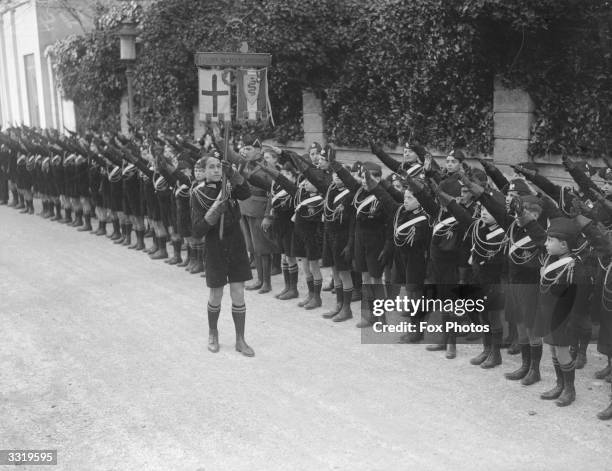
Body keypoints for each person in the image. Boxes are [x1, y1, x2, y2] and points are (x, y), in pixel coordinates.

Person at [190, 152, 254, 357]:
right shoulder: (198, 194)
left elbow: (246, 193)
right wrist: (217, 209)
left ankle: (240, 339)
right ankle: (213, 333)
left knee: (238, 292)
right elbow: (198, 230)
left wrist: (232, 172)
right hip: (214, 245)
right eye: (212, 167)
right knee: (216, 293)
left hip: (235, 243)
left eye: (219, 166)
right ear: (203, 172)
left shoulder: (229, 185)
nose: (217, 170)